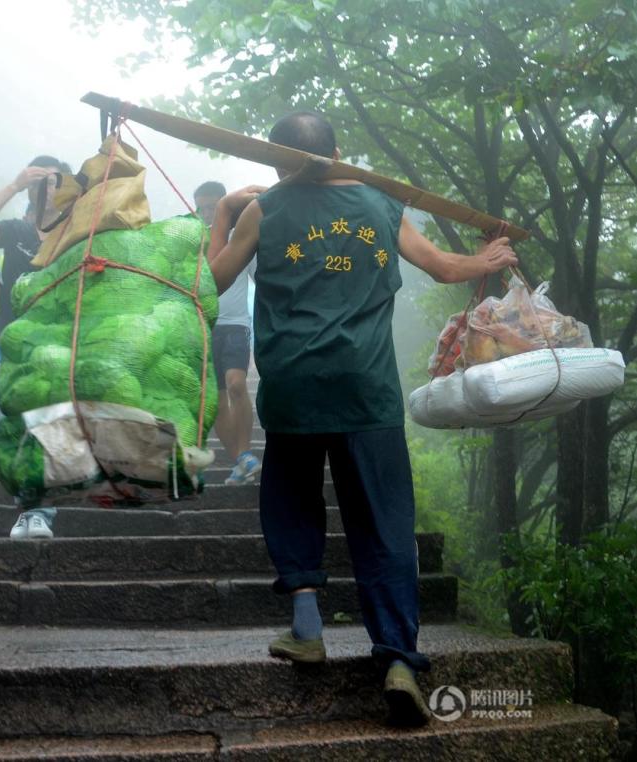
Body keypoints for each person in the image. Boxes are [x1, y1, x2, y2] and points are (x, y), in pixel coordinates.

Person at [208, 112, 518, 726]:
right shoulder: (378, 202)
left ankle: (305, 624)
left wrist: (222, 215)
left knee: (292, 500)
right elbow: (441, 266)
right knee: (384, 522)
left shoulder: (263, 210)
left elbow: (210, 283)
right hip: (365, 389)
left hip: (294, 389)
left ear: (278, 159)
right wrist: (487, 258)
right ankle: (400, 658)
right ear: (339, 152)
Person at [0, 155, 71, 540]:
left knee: (43, 423)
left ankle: (37, 510)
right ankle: (29, 506)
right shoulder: (14, 231)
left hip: (54, 348)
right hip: (7, 342)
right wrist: (13, 184)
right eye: (39, 182)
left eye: (55, 181)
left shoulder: (75, 235)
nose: (47, 189)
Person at [194, 181, 260, 485]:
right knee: (216, 395)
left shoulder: (238, 237)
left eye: (212, 206)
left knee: (236, 384)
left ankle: (246, 450)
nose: (207, 213)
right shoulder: (191, 241)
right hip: (203, 325)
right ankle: (240, 459)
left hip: (235, 323)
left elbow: (259, 277)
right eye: (202, 207)